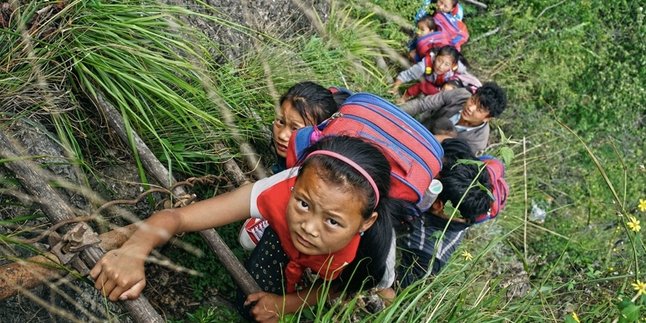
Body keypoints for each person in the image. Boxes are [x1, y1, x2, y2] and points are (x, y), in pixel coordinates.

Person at [90, 136, 402, 321]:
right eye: (304, 204)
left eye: (332, 221)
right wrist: (134, 250)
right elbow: (180, 217)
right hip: (284, 235)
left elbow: (347, 289)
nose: (308, 227)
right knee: (260, 276)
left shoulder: (373, 252)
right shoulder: (279, 190)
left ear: (366, 222)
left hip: (337, 272)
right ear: (294, 184)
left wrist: (287, 305)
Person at [244, 82, 348, 250]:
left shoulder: (323, 173)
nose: (283, 135)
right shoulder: (300, 154)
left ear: (317, 134)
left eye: (295, 128)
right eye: (280, 122)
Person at [396, 138, 492, 287]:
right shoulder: (464, 208)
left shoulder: (426, 257)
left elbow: (394, 293)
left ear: (437, 204)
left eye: (432, 181)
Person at [400, 82, 507, 154]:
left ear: (487, 118)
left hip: (429, 152)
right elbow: (422, 104)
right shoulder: (460, 95)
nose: (470, 108)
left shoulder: (477, 141)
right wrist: (395, 112)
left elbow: (450, 157)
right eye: (473, 100)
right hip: (419, 127)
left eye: (479, 110)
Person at [390, 46, 468, 104]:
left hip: (443, 87)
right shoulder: (424, 65)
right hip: (431, 83)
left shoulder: (458, 68)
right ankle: (404, 98)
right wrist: (395, 87)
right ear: (435, 57)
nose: (441, 66)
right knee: (423, 86)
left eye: (446, 64)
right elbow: (406, 75)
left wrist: (451, 85)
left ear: (452, 66)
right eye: (439, 61)